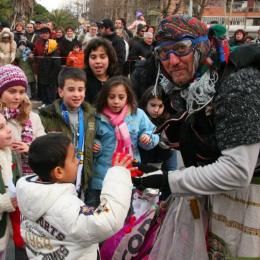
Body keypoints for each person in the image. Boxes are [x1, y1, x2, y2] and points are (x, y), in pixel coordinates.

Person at [131, 15, 260, 258]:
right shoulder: (190, 86)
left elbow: (238, 171)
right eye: (163, 52)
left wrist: (170, 180)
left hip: (248, 205)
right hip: (213, 196)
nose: (172, 61)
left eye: (181, 48)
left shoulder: (237, 83)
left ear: (202, 45)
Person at [16, 133, 133, 260]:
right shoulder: (65, 207)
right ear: (59, 172)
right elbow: (106, 219)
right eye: (73, 159)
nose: (77, 162)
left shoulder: (28, 194)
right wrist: (118, 175)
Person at [85, 75, 159, 208]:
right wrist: (95, 144)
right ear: (105, 97)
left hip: (128, 176)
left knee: (123, 217)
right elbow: (87, 138)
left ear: (128, 97)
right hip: (100, 177)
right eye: (111, 97)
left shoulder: (138, 115)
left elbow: (153, 134)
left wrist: (147, 138)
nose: (116, 101)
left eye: (121, 97)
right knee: (94, 214)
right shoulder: (96, 116)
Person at [39, 67, 96, 197]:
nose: (77, 94)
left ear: (85, 91)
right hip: (58, 180)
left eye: (80, 89)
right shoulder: (47, 116)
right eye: (71, 89)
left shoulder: (91, 116)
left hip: (82, 175)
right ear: (60, 91)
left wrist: (96, 142)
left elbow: (93, 138)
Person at [0, 64, 45, 176]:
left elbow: (44, 147)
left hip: (29, 181)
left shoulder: (33, 118)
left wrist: (30, 149)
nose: (17, 97)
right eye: (12, 91)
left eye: (21, 92)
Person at [139, 86, 177, 199]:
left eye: (160, 106)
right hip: (146, 160)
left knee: (171, 178)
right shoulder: (141, 119)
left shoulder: (169, 120)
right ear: (145, 103)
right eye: (153, 105)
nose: (156, 109)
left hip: (166, 156)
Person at [0, 113, 18, 260]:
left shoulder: (5, 152)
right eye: (1, 127)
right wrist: (5, 202)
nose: (8, 130)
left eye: (6, 124)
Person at [84, 37, 120, 105]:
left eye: (102, 57)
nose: (98, 61)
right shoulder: (82, 81)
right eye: (93, 57)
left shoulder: (118, 80)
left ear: (110, 58)